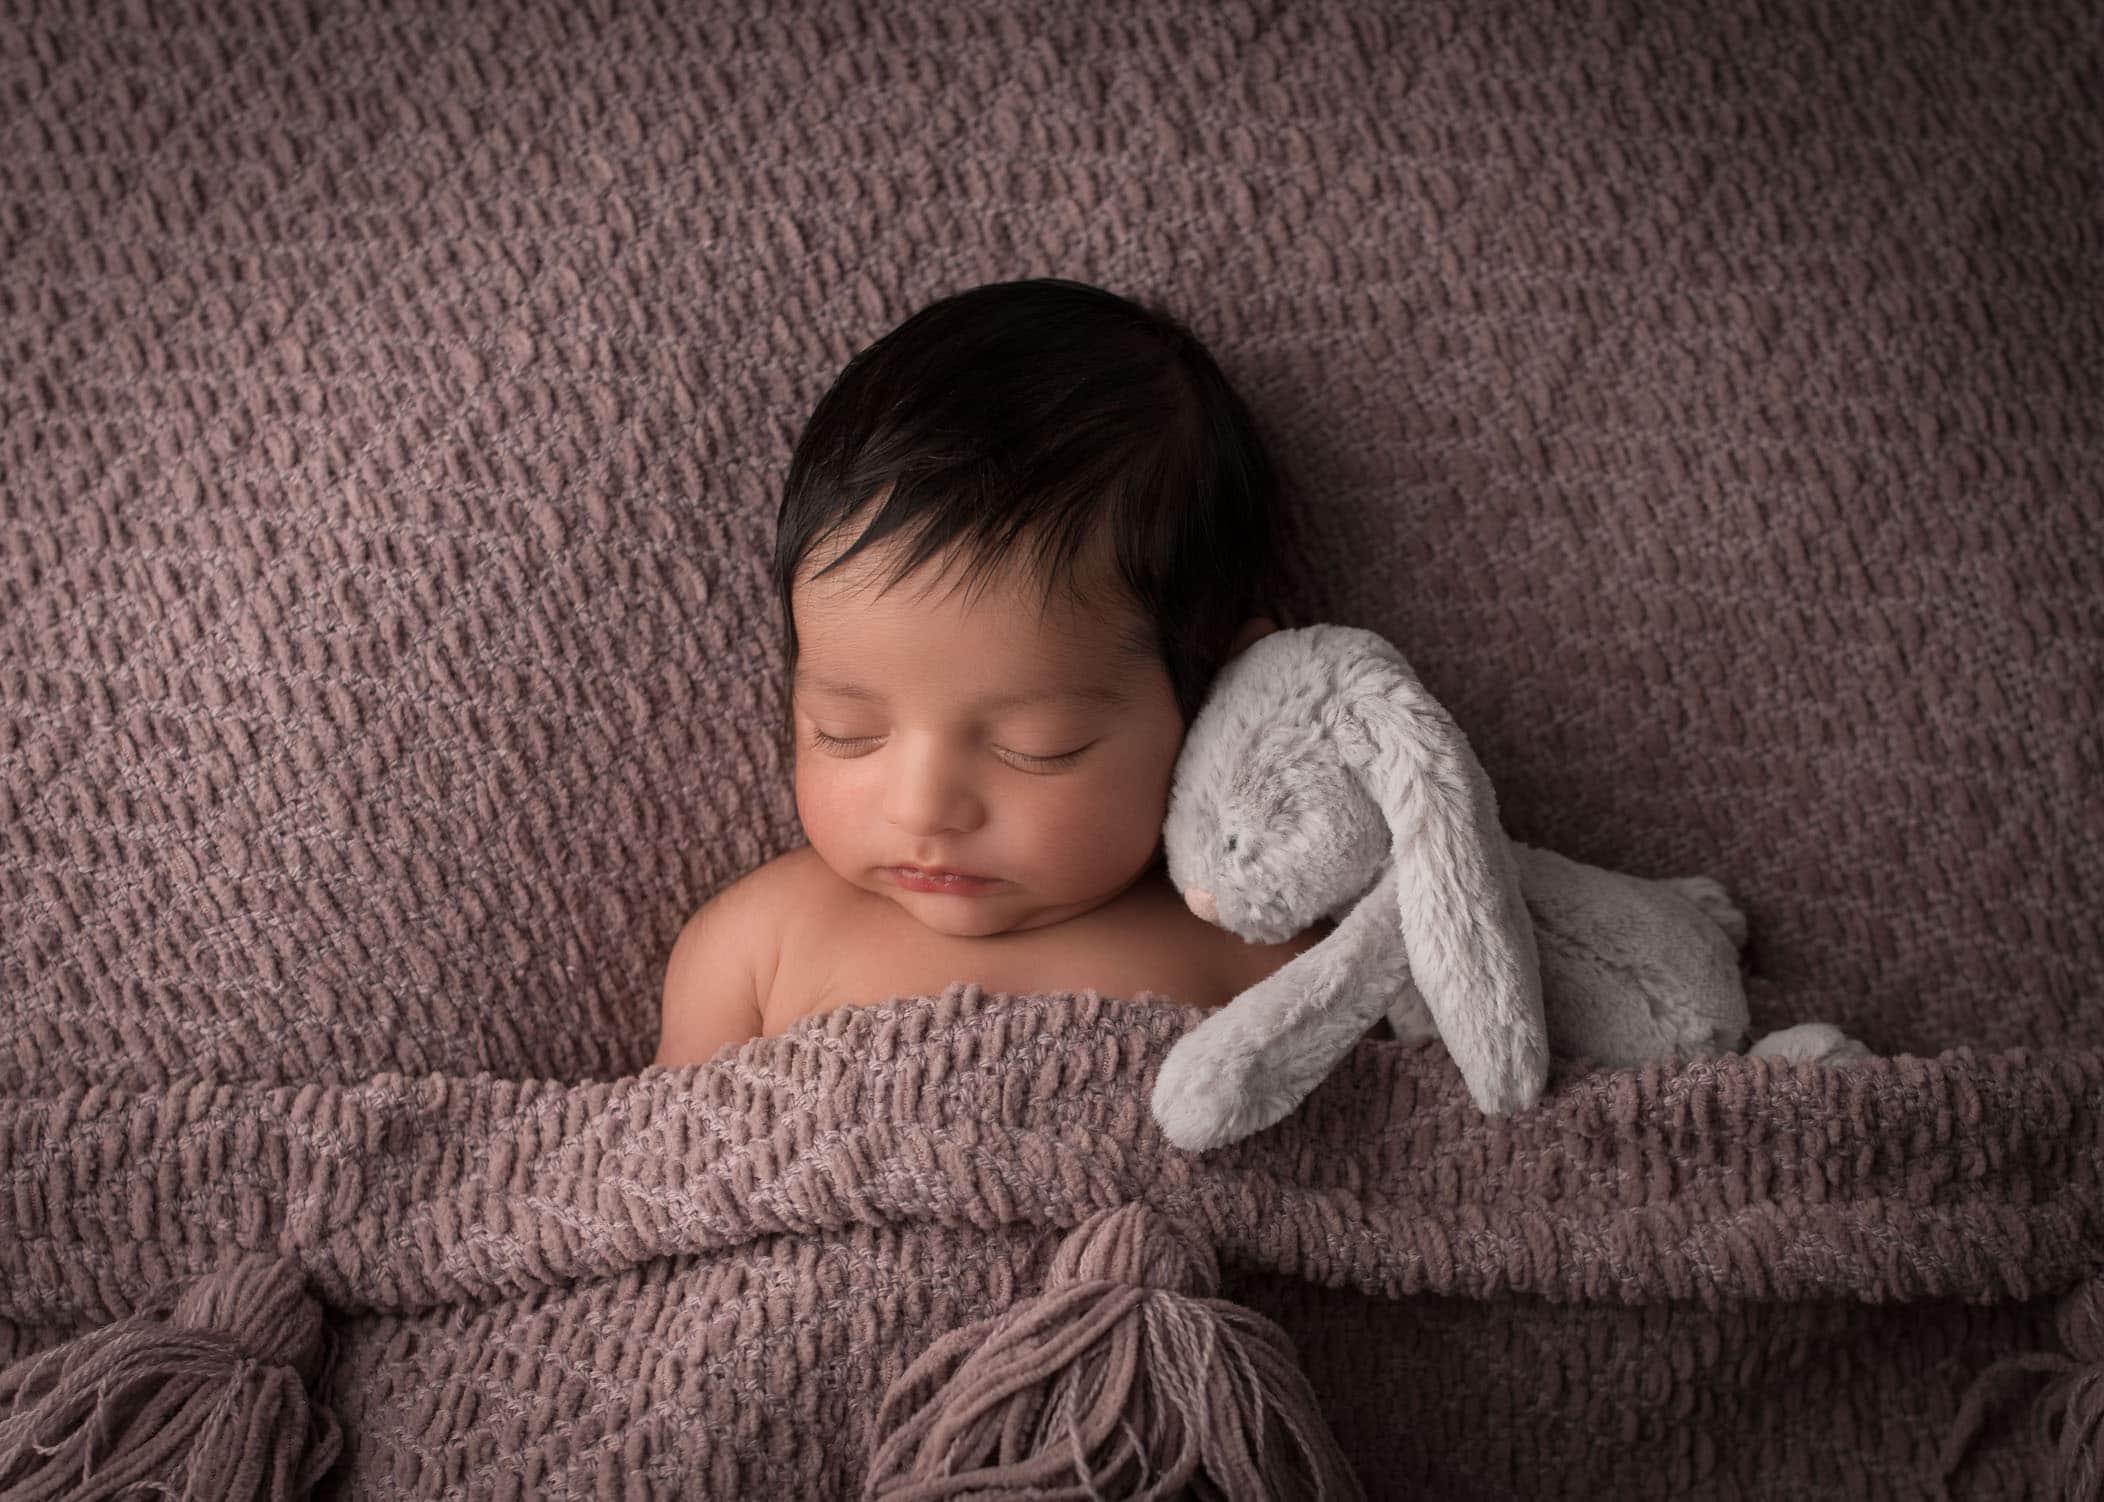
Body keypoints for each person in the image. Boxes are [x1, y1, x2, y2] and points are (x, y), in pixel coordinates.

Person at [653, 277, 1382, 1067]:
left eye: (1039, 745)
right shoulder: (762, 945)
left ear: (1225, 704)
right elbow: (657, 1173)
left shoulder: (1280, 967)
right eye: (847, 732)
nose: (923, 809)